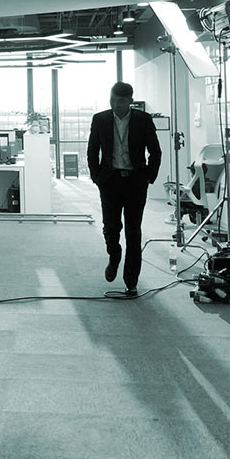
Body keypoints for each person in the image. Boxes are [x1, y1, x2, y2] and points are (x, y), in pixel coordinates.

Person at [87, 82, 161, 298]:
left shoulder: (143, 119)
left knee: (133, 232)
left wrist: (148, 176)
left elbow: (155, 151)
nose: (115, 105)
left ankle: (131, 282)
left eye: (120, 101)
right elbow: (92, 150)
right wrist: (96, 177)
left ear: (130, 101)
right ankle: (114, 255)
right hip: (110, 182)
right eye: (112, 100)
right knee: (111, 228)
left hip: (135, 182)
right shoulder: (100, 119)